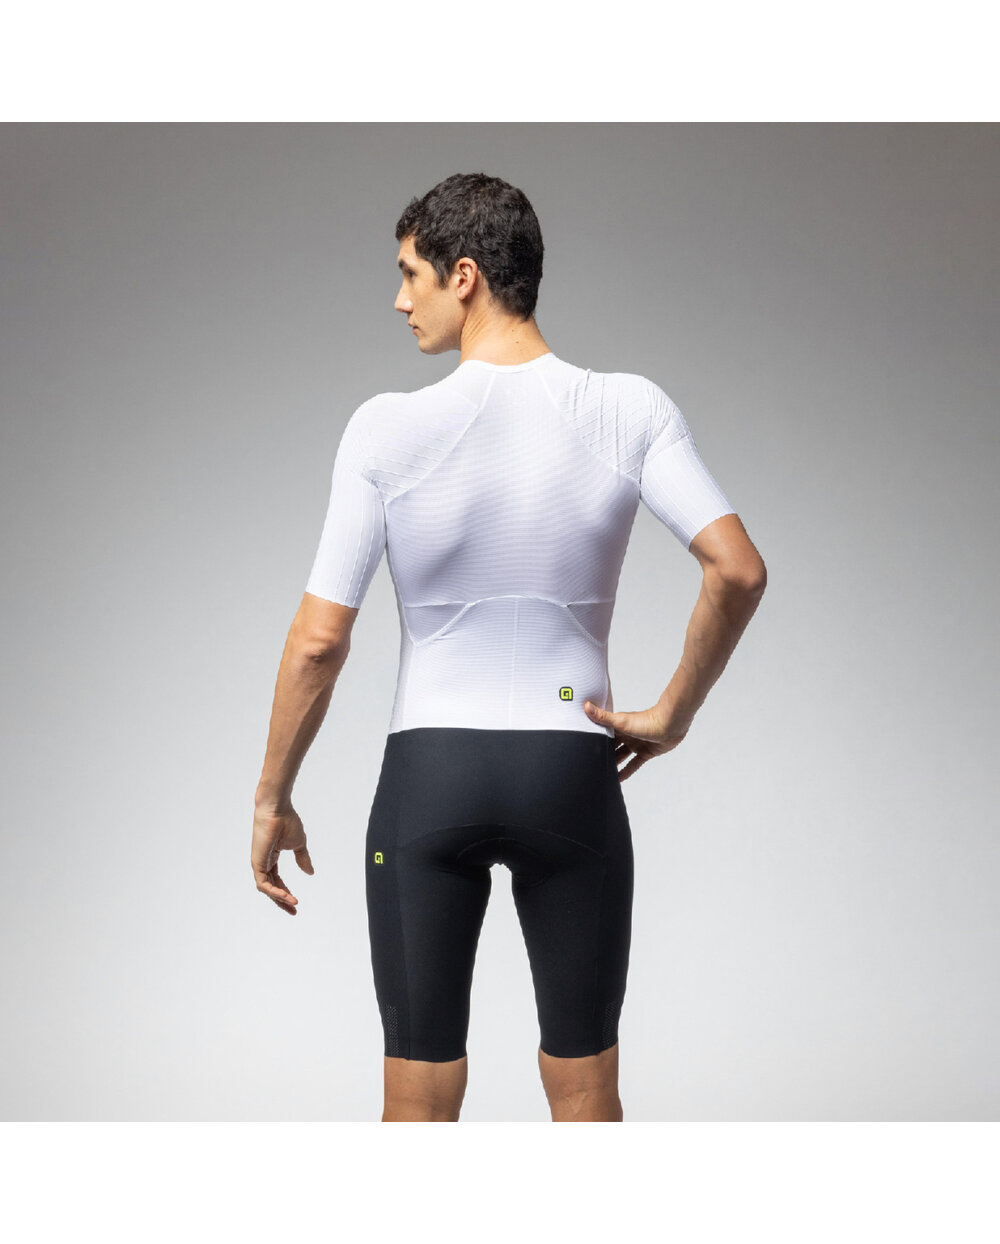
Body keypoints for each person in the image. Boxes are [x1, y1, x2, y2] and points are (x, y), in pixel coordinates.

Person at [251, 172, 767, 1123]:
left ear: (465, 276)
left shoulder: (386, 429)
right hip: (571, 769)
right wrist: (671, 714)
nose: (398, 299)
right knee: (585, 1087)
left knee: (418, 1098)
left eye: (410, 274)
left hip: (429, 777)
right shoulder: (628, 410)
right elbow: (736, 571)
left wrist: (273, 796)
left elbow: (320, 640)